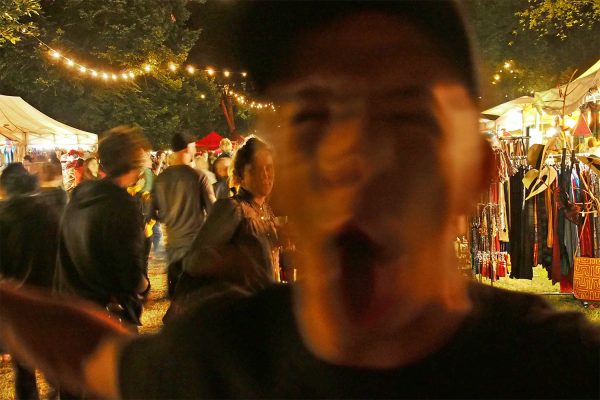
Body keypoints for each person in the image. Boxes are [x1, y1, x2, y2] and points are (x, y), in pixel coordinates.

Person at [0, 1, 599, 399]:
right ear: (278, 178)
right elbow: (94, 357)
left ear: (477, 175)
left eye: (403, 117)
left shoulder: (558, 372)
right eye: (313, 115)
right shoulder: (222, 363)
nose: (349, 155)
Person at [166, 137, 278, 319]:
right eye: (256, 169)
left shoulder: (265, 210)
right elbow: (193, 261)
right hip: (234, 315)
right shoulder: (231, 208)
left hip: (259, 311)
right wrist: (235, 260)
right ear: (241, 174)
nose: (265, 175)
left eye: (269, 168)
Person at [54, 126, 150, 327]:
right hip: (108, 316)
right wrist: (144, 286)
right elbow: (129, 270)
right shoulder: (122, 205)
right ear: (133, 164)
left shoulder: (79, 196)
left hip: (74, 308)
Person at [0, 163, 61, 400]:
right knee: (52, 355)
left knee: (23, 367)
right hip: (49, 297)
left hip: (17, 302)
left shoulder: (3, 217)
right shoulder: (47, 211)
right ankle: (57, 390)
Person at [151, 132, 216, 297]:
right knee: (198, 297)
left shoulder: (161, 179)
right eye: (194, 146)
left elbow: (152, 212)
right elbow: (213, 211)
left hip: (172, 247)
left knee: (177, 300)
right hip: (195, 247)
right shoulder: (199, 177)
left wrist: (170, 216)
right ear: (188, 148)